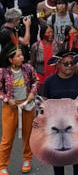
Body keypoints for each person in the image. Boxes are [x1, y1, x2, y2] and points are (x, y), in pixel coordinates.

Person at [43, 50, 78, 175]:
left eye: (72, 63)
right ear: (58, 65)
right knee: (58, 160)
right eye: (66, 64)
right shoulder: (49, 82)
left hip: (77, 126)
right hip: (56, 127)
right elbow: (44, 104)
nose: (70, 66)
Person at [0, 45, 38, 175]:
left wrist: (32, 93)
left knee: (28, 136)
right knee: (7, 139)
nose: (22, 57)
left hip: (27, 106)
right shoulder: (3, 71)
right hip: (11, 108)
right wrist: (6, 99)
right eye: (18, 56)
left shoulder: (28, 68)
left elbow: (35, 82)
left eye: (22, 55)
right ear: (11, 59)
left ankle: (27, 160)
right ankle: (2, 166)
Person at [30, 24, 59, 95]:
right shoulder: (36, 46)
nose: (51, 34)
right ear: (42, 33)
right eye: (48, 32)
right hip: (41, 79)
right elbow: (32, 64)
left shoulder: (57, 45)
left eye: (52, 32)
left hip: (55, 78)